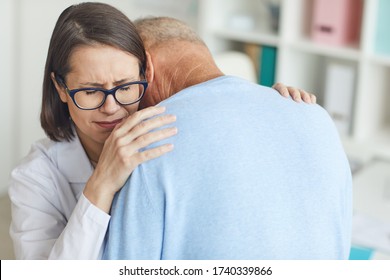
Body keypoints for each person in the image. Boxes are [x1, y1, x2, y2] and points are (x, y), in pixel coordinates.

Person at [8, 3, 314, 260]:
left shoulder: (167, 123)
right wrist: (99, 186)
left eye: (126, 86)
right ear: (61, 87)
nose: (112, 107)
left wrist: (272, 105)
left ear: (146, 74)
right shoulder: (35, 177)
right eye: (90, 91)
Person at [103, 17, 353, 260]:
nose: (126, 107)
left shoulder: (151, 142)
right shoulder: (316, 116)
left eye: (126, 86)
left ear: (147, 67)